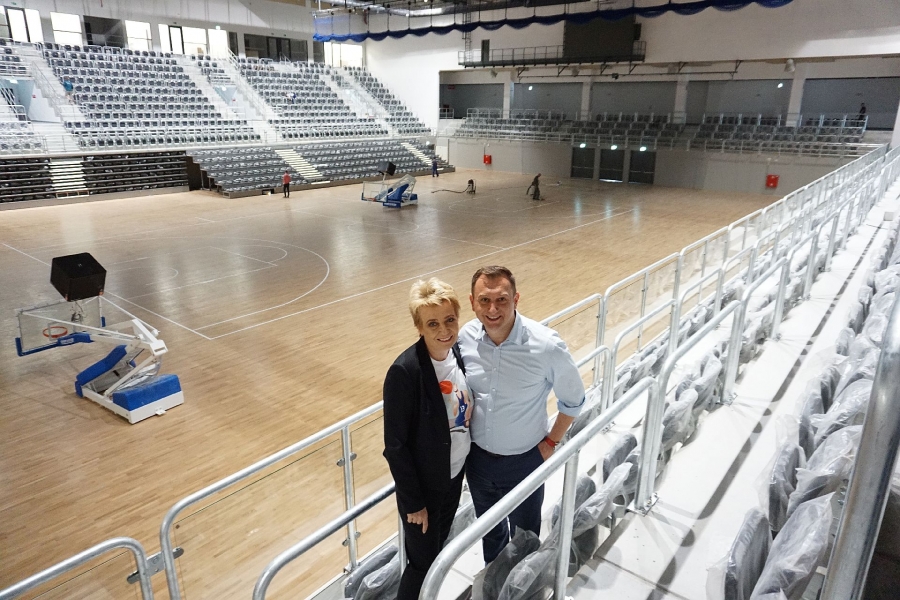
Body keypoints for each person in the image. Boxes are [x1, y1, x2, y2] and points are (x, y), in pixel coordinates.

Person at [459, 265, 585, 563]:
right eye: (484, 300)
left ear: (515, 300)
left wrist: (551, 443)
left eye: (501, 300)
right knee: (489, 533)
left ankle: (522, 585)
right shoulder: (465, 338)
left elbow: (574, 400)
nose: (493, 309)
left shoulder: (546, 345)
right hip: (477, 462)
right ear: (472, 302)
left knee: (525, 538)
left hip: (525, 462)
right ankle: (494, 580)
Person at [383, 278, 473, 600]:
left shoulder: (456, 353)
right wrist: (414, 503)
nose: (444, 330)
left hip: (453, 477)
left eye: (450, 319)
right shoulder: (405, 372)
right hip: (425, 492)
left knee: (436, 556)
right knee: (422, 565)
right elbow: (395, 447)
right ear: (419, 327)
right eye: (432, 323)